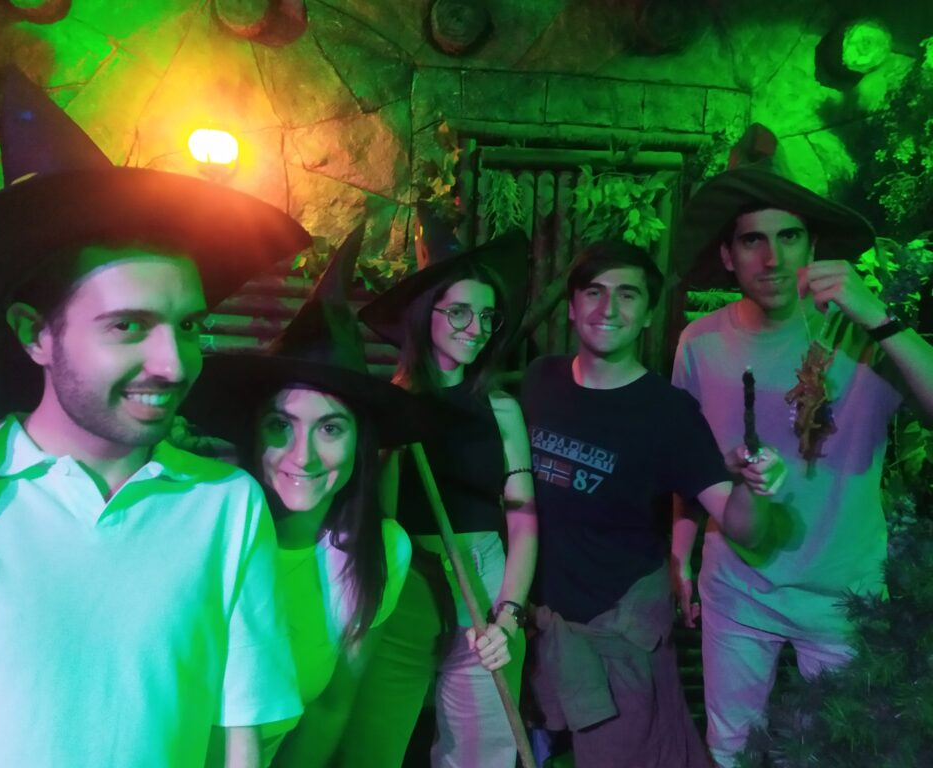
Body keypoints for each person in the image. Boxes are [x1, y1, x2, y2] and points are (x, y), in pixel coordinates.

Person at [0, 68, 312, 767]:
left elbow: (240, 737)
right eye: (128, 326)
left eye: (188, 327)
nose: (174, 363)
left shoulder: (224, 506)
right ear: (35, 333)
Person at [670, 124, 933, 767]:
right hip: (739, 587)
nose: (773, 258)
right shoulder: (699, 343)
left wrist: (880, 317)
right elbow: (686, 459)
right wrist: (680, 549)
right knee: (730, 748)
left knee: (840, 754)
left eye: (789, 237)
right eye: (752, 240)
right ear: (728, 255)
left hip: (841, 596)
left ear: (813, 247)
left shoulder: (863, 337)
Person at [520, 241, 785, 767]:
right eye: (593, 292)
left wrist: (755, 488)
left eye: (627, 295)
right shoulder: (540, 381)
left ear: (646, 314)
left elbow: (742, 527)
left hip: (618, 636)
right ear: (571, 306)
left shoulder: (668, 412)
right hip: (539, 629)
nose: (608, 308)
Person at [181, 226, 429, 767]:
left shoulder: (380, 552)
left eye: (331, 428)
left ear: (362, 441)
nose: (304, 456)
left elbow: (331, 707)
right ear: (254, 431)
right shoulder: (199, 526)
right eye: (282, 425)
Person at [337, 210, 538, 767]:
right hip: (406, 587)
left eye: (488, 316)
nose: (476, 328)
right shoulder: (388, 409)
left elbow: (523, 519)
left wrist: (509, 614)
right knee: (371, 750)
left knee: (482, 755)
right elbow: (376, 522)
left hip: (487, 581)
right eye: (460, 312)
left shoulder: (501, 409)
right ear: (427, 313)